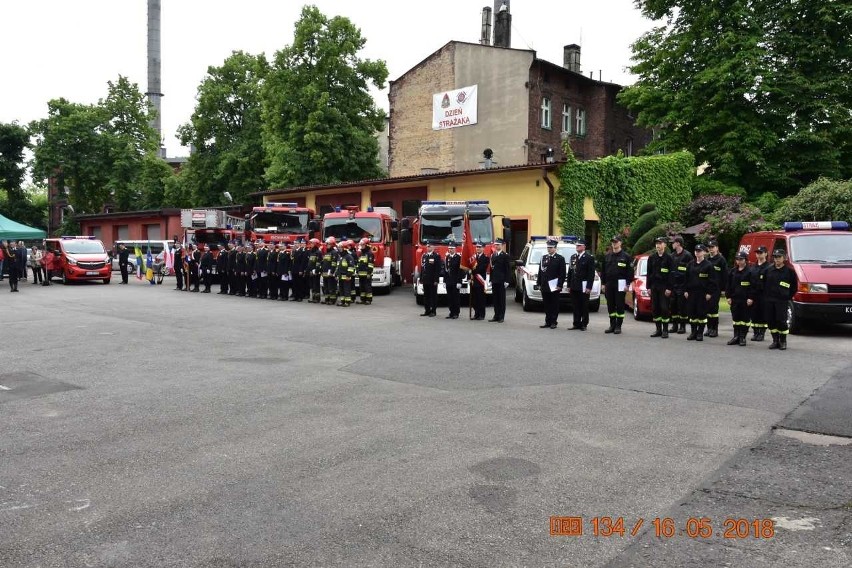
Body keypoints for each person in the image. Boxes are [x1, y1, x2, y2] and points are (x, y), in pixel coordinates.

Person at [764, 249, 797, 350]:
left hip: (781, 301)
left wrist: (787, 296)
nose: (777, 259)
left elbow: (794, 287)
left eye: (779, 257)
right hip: (769, 300)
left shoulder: (789, 272)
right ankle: (775, 341)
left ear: (784, 258)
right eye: (775, 257)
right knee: (771, 321)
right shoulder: (768, 270)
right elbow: (764, 284)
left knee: (781, 321)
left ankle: (783, 341)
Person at [684, 244, 717, 341]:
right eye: (696, 251)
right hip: (691, 293)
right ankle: (693, 332)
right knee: (692, 313)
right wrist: (686, 290)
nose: (697, 252)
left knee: (701, 313)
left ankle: (700, 333)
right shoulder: (690, 264)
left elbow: (712, 281)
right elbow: (686, 279)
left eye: (699, 251)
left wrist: (709, 293)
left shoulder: (708, 265)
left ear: (704, 252)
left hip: (702, 293)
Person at [602, 235, 633, 334]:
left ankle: (618, 326)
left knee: (619, 305)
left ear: (620, 243)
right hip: (609, 284)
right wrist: (603, 284)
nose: (614, 243)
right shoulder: (607, 256)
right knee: (610, 305)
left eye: (616, 242)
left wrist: (628, 284)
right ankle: (612, 325)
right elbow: (603, 271)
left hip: (621, 284)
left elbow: (630, 272)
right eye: (613, 242)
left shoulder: (626, 257)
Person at [726, 251, 757, 346]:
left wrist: (751, 298)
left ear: (745, 260)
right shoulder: (732, 271)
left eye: (741, 259)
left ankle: (743, 337)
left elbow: (754, 286)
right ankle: (736, 337)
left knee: (745, 319)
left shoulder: (751, 272)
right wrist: (728, 297)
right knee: (736, 318)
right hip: (735, 299)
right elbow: (728, 285)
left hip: (745, 300)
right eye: (737, 259)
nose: (739, 261)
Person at [646, 236, 675, 338]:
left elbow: (672, 274)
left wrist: (669, 288)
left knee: (664, 308)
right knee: (655, 308)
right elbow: (648, 273)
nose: (658, 245)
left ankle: (665, 330)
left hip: (664, 287)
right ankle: (658, 330)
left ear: (665, 245)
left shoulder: (669, 258)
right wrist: (648, 287)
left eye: (660, 243)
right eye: (657, 243)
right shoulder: (652, 258)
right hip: (654, 286)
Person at [537, 238, 567, 329]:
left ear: (555, 248)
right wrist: (539, 283)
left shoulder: (560, 258)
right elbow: (540, 272)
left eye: (551, 247)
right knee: (546, 304)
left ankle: (554, 321)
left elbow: (562, 273)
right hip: (545, 284)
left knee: (554, 304)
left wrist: (560, 285)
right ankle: (547, 321)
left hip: (554, 284)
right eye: (548, 247)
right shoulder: (544, 257)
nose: (549, 249)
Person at [568, 239, 595, 330]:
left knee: (584, 305)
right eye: (576, 246)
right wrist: (569, 285)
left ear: (584, 247)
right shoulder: (573, 257)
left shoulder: (589, 258)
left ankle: (584, 324)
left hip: (583, 286)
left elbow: (591, 274)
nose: (577, 247)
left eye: (579, 246)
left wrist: (589, 286)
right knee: (575, 306)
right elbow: (570, 272)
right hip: (574, 285)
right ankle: (576, 323)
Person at [669, 236, 693, 334]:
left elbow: (691, 271)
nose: (672, 244)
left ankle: (682, 326)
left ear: (678, 243)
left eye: (673, 242)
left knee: (682, 307)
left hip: (683, 285)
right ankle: (674, 326)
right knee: (673, 306)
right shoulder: (672, 255)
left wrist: (687, 288)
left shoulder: (687, 255)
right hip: (673, 285)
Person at [705, 239, 728, 337]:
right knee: (707, 309)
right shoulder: (707, 260)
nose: (711, 249)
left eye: (713, 247)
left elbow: (725, 275)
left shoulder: (721, 259)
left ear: (717, 248)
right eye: (709, 248)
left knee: (714, 309)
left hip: (716, 288)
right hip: (707, 288)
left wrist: (724, 289)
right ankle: (709, 328)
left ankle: (715, 329)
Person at [750, 246, 770, 341]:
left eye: (761, 252)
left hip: (764, 295)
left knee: (762, 315)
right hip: (754, 295)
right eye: (757, 253)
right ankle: (755, 332)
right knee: (754, 314)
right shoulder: (753, 267)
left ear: (766, 253)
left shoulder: (769, 267)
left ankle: (761, 333)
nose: (758, 254)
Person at [488, 238, 510, 322]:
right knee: (495, 299)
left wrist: (507, 281)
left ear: (502, 245)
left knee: (501, 299)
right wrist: (490, 279)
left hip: (501, 280)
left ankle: (501, 316)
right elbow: (491, 269)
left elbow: (507, 269)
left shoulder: (505, 256)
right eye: (496, 245)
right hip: (494, 280)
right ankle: (496, 315)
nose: (497, 246)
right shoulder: (493, 255)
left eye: (498, 245)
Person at [419, 240, 442, 317]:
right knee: (426, 296)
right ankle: (427, 310)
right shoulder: (424, 256)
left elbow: (437, 269)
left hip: (432, 280)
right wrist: (421, 278)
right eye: (427, 246)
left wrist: (436, 280)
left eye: (430, 246)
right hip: (425, 279)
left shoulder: (436, 256)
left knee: (433, 296)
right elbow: (422, 268)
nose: (428, 247)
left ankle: (433, 311)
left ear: (433, 247)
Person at [443, 240, 463, 319]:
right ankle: (451, 312)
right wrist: (445, 281)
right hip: (449, 281)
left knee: (455, 298)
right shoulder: (447, 257)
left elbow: (460, 271)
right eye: (449, 248)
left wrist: (459, 281)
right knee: (449, 298)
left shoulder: (458, 258)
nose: (450, 250)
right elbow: (445, 270)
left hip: (455, 281)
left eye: (452, 248)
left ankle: (456, 313)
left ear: (455, 249)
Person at [470, 242, 489, 320]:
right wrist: (469, 274)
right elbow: (470, 266)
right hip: (473, 281)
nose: (478, 248)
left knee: (480, 299)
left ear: (483, 248)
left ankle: (481, 314)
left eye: (479, 247)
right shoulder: (473, 257)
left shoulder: (486, 258)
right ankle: (476, 314)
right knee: (474, 299)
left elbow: (481, 269)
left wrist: (472, 271)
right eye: (477, 247)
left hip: (480, 281)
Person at [336, 240, 355, 306]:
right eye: (339, 247)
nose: (339, 249)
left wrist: (348, 275)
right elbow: (338, 267)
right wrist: (336, 274)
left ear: (344, 248)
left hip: (346, 276)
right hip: (340, 276)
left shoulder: (349, 257)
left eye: (341, 248)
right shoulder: (340, 257)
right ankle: (342, 301)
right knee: (341, 290)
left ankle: (347, 302)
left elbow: (351, 267)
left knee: (346, 289)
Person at [356, 238, 375, 305]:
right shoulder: (361, 254)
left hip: (367, 274)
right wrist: (357, 271)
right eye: (361, 245)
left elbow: (370, 265)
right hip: (361, 274)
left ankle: (368, 300)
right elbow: (359, 263)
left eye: (363, 245)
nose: (361, 246)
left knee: (367, 287)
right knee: (362, 287)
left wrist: (369, 273)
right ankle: (363, 299)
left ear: (367, 245)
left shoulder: (370, 254)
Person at [321, 237, 338, 304]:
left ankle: (332, 300)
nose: (327, 245)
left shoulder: (334, 253)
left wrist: (332, 272)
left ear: (332, 245)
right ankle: (327, 299)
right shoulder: (327, 253)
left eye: (329, 244)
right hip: (325, 273)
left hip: (330, 273)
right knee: (326, 287)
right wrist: (322, 271)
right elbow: (324, 263)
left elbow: (334, 264)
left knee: (332, 287)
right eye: (327, 244)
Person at [307, 238, 323, 303]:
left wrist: (316, 271)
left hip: (316, 271)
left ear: (316, 244)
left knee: (316, 285)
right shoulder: (311, 252)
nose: (311, 244)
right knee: (312, 285)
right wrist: (309, 270)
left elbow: (318, 263)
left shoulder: (318, 252)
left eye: (312, 243)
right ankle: (313, 297)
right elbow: (310, 262)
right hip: (311, 271)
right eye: (310, 243)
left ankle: (317, 298)